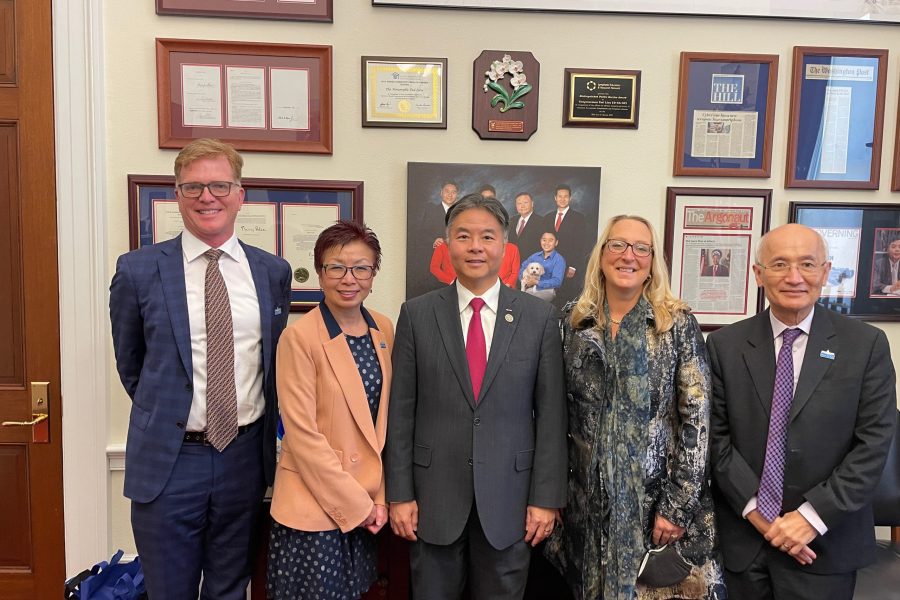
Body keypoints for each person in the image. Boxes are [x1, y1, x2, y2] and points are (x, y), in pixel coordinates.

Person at [109, 138, 291, 598]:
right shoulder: (138, 270)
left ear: (240, 194)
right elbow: (131, 365)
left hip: (245, 459)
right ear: (177, 194)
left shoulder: (272, 272)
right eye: (193, 187)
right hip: (170, 462)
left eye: (219, 185)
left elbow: (270, 362)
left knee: (231, 588)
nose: (206, 197)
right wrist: (173, 415)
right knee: (169, 590)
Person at [386, 194, 567, 599]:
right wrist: (399, 494)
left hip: (511, 501)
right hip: (433, 499)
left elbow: (552, 415)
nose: (475, 247)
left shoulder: (537, 317)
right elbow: (401, 413)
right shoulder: (417, 314)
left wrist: (546, 499)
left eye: (487, 236)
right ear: (448, 243)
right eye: (464, 236)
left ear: (504, 245)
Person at [707, 224, 897, 600]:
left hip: (826, 544)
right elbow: (714, 438)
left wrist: (810, 518)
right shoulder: (724, 345)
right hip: (743, 543)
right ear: (759, 274)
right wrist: (761, 517)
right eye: (779, 264)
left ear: (825, 272)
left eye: (807, 264)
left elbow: (873, 443)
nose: (794, 277)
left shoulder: (866, 345)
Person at [545, 215, 725, 600]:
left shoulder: (675, 324)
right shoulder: (573, 322)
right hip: (586, 512)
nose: (629, 255)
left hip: (654, 511)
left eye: (641, 248)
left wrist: (677, 507)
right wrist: (553, 493)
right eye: (618, 245)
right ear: (602, 254)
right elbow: (555, 416)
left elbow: (696, 421)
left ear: (652, 261)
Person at [268, 221, 393, 599]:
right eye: (335, 267)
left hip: (367, 502)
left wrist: (379, 500)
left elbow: (383, 426)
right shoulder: (299, 336)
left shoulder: (384, 329)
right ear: (320, 273)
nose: (348, 278)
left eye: (361, 267)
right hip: (314, 506)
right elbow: (302, 435)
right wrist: (358, 506)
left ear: (373, 274)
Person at [409, 180, 460, 298]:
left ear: (457, 195)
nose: (450, 194)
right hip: (434, 255)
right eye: (447, 191)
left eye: (453, 192)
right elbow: (421, 233)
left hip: (453, 258)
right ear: (441, 193)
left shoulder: (460, 213)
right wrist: (433, 239)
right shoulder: (431, 210)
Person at [546, 184, 589, 307]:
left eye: (565, 196)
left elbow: (581, 244)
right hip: (549, 264)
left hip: (568, 265)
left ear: (570, 198)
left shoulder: (578, 218)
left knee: (565, 298)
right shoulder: (548, 217)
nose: (562, 199)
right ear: (555, 198)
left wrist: (574, 266)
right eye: (560, 196)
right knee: (550, 298)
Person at [431, 237, 522, 288]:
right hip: (452, 286)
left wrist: (508, 284)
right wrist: (450, 281)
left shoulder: (512, 248)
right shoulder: (442, 246)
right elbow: (434, 268)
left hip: (497, 287)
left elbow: (515, 271)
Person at [518, 230, 566, 302]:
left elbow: (557, 281)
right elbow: (523, 267)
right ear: (540, 241)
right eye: (544, 240)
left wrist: (537, 282)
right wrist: (525, 278)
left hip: (547, 290)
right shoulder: (534, 256)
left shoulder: (559, 260)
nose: (546, 243)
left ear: (556, 243)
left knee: (528, 299)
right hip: (528, 288)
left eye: (550, 240)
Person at [508, 192, 546, 259]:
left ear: (532, 204)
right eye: (519, 203)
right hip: (513, 264)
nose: (522, 206)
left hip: (532, 265)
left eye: (525, 202)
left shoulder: (542, 222)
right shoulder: (512, 221)